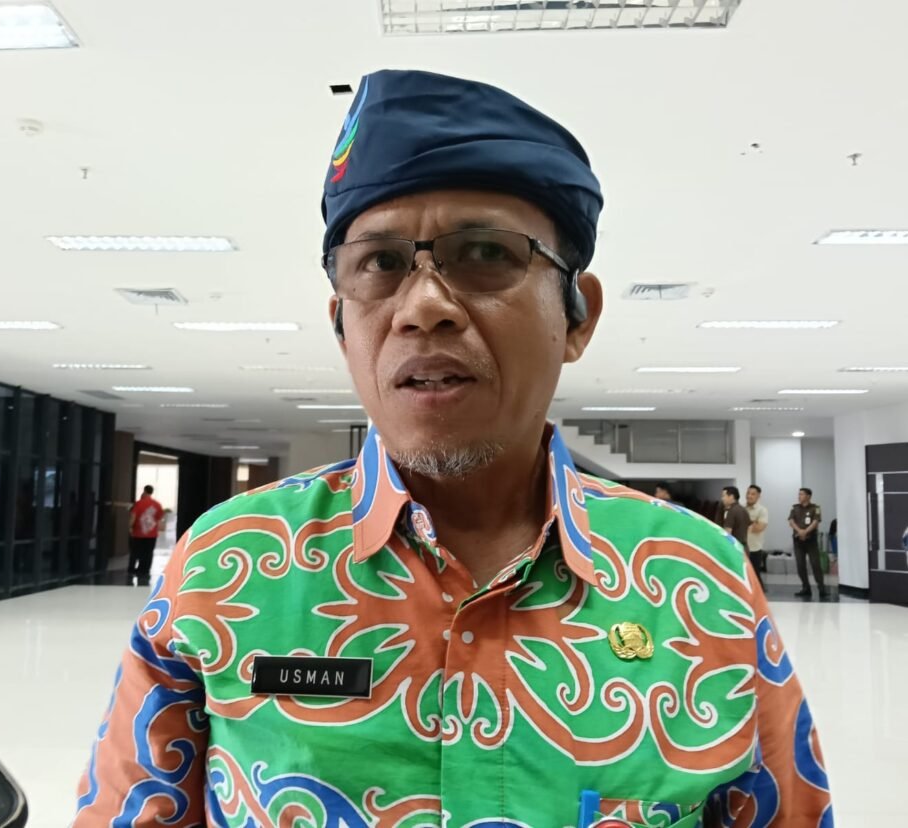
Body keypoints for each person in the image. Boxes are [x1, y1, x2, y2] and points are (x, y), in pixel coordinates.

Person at [74, 70, 831, 827]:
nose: (425, 307)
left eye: (486, 253)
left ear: (577, 316)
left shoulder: (698, 576)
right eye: (380, 264)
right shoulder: (224, 564)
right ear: (341, 326)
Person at [789, 487, 827, 599]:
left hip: (811, 541)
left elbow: (815, 522)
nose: (799, 496)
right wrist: (800, 531)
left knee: (815, 564)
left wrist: (805, 531)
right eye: (799, 494)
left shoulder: (816, 508)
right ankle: (806, 588)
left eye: (802, 494)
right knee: (800, 565)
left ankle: (821, 588)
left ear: (808, 496)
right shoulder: (794, 508)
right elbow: (791, 521)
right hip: (798, 541)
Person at [127, 485, 163, 587]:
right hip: (151, 534)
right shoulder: (157, 505)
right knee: (148, 553)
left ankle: (132, 569)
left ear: (144, 491)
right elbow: (159, 518)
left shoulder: (138, 503)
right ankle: (145, 570)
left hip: (138, 533)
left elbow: (133, 516)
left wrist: (130, 527)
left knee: (135, 552)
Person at [746, 484, 770, 580]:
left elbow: (760, 527)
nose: (749, 496)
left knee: (755, 576)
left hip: (754, 548)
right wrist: (753, 522)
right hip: (741, 548)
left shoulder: (762, 510)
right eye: (748, 493)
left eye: (753, 494)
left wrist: (746, 523)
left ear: (758, 496)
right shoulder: (741, 508)